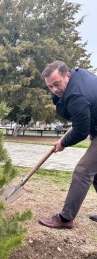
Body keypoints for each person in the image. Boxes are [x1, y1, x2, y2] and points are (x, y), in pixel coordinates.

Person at [39, 60, 97, 229]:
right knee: (96, 173)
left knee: (83, 171)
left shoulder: (76, 96)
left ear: (68, 75)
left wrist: (63, 143)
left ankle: (65, 219)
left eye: (57, 84)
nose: (55, 90)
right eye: (50, 87)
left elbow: (80, 132)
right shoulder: (78, 76)